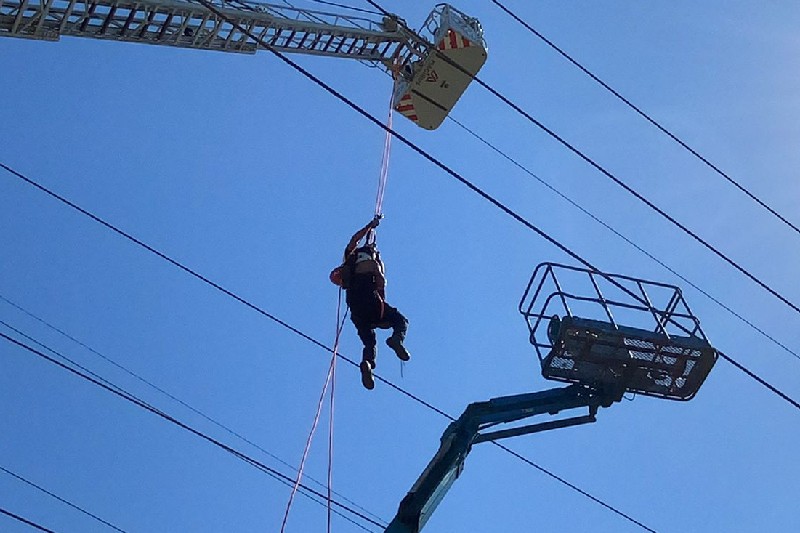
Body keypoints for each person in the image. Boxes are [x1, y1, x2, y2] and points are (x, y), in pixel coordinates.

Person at [335, 216, 409, 390]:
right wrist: (372, 225)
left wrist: (369, 226)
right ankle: (396, 339)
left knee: (369, 342)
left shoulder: (349, 257)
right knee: (401, 321)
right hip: (370, 297)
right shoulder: (374, 262)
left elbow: (354, 239)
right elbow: (382, 283)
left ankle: (367, 364)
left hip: (354, 305)